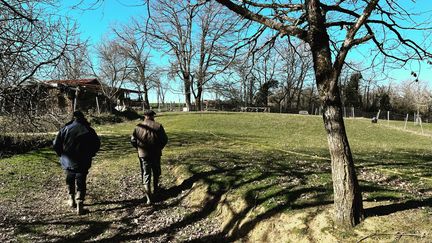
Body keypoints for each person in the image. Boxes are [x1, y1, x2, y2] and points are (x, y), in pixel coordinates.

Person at [53, 111, 100, 215]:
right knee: (81, 180)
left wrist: (61, 154)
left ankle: (71, 199)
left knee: (69, 178)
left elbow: (56, 144)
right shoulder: (89, 129)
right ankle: (80, 202)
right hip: (83, 160)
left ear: (73, 118)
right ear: (83, 118)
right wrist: (91, 154)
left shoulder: (65, 128)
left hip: (68, 160)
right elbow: (97, 144)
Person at [131, 110, 168, 205]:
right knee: (156, 173)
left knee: (146, 175)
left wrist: (139, 149)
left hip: (143, 154)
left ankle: (149, 199)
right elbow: (164, 140)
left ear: (144, 116)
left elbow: (133, 140)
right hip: (155, 153)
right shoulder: (158, 126)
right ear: (152, 116)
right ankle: (156, 192)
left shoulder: (138, 127)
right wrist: (159, 148)